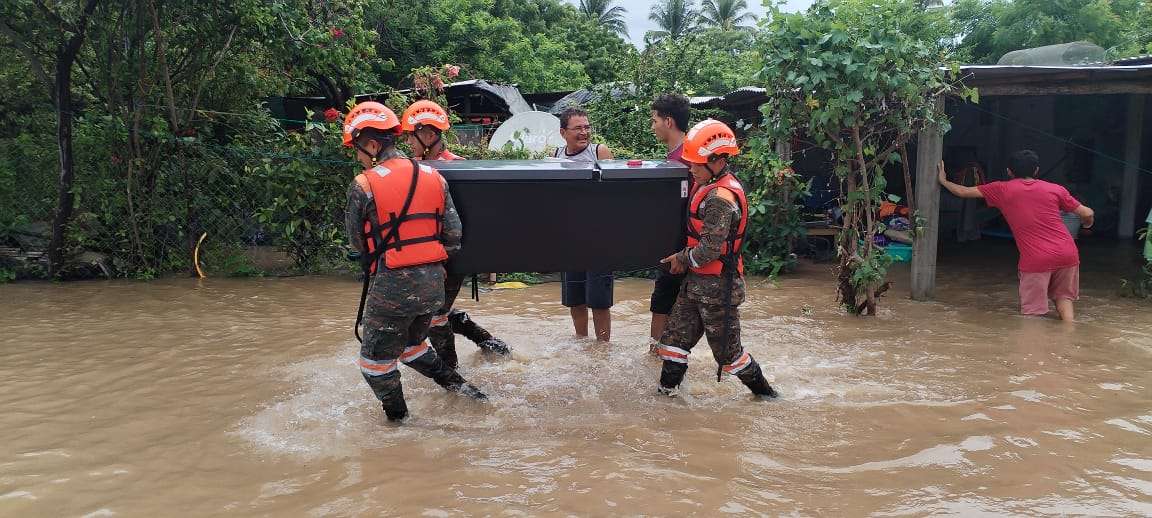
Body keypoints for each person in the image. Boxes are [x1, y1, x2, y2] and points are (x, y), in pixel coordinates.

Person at [342, 101, 487, 422]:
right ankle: (466, 391)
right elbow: (453, 236)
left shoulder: (363, 184)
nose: (358, 157)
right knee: (412, 347)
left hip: (392, 287)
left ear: (372, 145)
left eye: (358, 150)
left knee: (374, 366)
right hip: (434, 286)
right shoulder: (434, 176)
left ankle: (400, 424)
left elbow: (356, 243)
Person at [654, 119, 778, 399]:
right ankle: (665, 397)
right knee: (674, 342)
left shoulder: (720, 198)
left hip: (718, 289)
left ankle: (768, 397)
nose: (692, 169)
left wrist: (681, 258)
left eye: (697, 164)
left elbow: (709, 249)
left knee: (729, 355)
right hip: (696, 285)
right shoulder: (708, 185)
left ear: (718, 160)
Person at [400, 100, 511, 369]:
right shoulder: (408, 169)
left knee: (434, 315)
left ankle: (450, 371)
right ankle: (487, 341)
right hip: (420, 256)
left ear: (428, 135)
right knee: (431, 312)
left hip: (450, 255)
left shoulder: (460, 169)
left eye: (410, 137)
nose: (408, 143)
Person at [938, 150, 1095, 321]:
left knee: (1033, 315)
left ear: (1009, 171)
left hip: (1036, 258)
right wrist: (1087, 224)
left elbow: (963, 192)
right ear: (1036, 170)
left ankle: (1030, 346)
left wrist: (943, 180)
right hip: (1067, 253)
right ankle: (1068, 338)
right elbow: (1086, 212)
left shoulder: (1001, 189)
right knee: (1064, 299)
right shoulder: (1056, 189)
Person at [553, 107, 615, 341]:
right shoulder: (556, 155)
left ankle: (602, 349)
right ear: (563, 132)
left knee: (599, 300)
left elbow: (615, 195)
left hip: (600, 239)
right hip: (570, 239)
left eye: (587, 127)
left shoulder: (600, 152)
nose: (584, 132)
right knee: (575, 299)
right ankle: (581, 344)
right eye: (578, 128)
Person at [648, 94, 693, 345]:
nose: (652, 126)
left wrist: (684, 252)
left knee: (665, 304)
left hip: (682, 249)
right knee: (664, 304)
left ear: (668, 121)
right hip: (673, 246)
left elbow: (693, 210)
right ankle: (659, 360)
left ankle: (660, 360)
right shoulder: (675, 156)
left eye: (654, 120)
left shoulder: (688, 159)